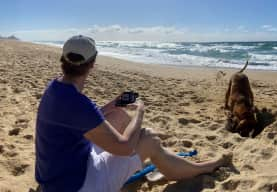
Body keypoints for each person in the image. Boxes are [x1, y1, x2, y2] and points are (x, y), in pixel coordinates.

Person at [35, 35, 229, 192]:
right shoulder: (78, 103)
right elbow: (125, 147)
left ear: (63, 59)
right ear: (92, 64)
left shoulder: (56, 88)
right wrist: (140, 112)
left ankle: (160, 161)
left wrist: (118, 102)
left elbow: (84, 118)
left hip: (58, 175)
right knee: (148, 137)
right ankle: (200, 168)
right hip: (79, 185)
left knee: (118, 116)